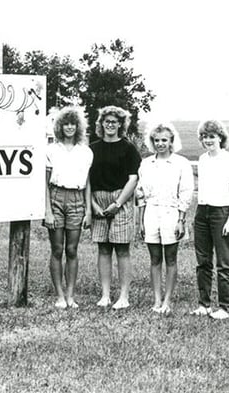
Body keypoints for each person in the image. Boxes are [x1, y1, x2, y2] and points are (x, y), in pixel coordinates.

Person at [136, 122, 193, 314]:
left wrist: (181, 220)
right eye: (157, 140)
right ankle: (157, 300)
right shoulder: (146, 163)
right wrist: (141, 220)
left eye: (164, 140)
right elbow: (141, 193)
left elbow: (186, 192)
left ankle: (167, 301)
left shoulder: (181, 163)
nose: (160, 144)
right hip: (151, 212)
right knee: (154, 258)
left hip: (171, 213)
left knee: (170, 258)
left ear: (171, 142)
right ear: (152, 142)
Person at [89, 106, 141, 309]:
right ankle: (105, 295)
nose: (110, 125)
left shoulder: (128, 148)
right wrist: (93, 205)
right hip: (98, 201)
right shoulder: (92, 149)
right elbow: (87, 179)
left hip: (121, 200)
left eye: (114, 121)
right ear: (101, 124)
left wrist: (117, 203)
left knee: (122, 249)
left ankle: (124, 297)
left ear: (121, 124)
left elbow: (134, 178)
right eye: (107, 121)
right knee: (103, 248)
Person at [191, 120, 229, 320]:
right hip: (202, 212)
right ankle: (204, 304)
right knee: (203, 261)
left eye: (212, 136)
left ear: (220, 137)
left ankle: (224, 307)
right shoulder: (202, 159)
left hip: (222, 212)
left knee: (224, 262)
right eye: (204, 137)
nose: (208, 140)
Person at [44, 106, 93, 309]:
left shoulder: (85, 152)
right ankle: (59, 296)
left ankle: (71, 296)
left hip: (77, 199)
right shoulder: (51, 150)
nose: (69, 127)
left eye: (73, 123)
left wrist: (88, 210)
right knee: (57, 249)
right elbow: (44, 182)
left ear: (78, 126)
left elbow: (88, 182)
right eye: (65, 124)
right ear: (59, 126)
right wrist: (47, 209)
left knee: (72, 249)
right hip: (56, 196)